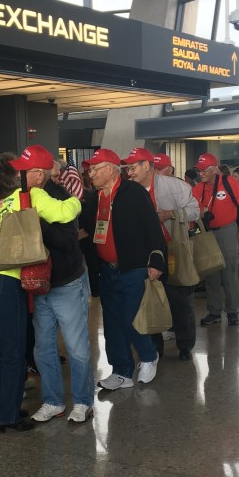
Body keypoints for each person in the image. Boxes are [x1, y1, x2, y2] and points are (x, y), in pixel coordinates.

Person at [0, 153, 81, 433]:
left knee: (1, 350)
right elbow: (64, 213)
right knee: (14, 351)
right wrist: (76, 199)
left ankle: (5, 407)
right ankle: (8, 417)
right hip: (7, 280)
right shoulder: (30, 195)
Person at [10, 146, 95, 424]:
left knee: (77, 347)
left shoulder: (60, 197)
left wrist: (37, 224)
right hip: (39, 286)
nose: (18, 176)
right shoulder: (22, 197)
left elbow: (68, 242)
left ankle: (83, 402)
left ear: (37, 174)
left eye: (23, 171)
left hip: (66, 283)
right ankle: (53, 401)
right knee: (43, 348)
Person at [80, 148, 166, 389]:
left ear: (110, 169)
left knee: (132, 318)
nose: (91, 174)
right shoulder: (94, 198)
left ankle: (148, 355)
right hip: (106, 270)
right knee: (112, 323)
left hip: (133, 268)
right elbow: (87, 228)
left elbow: (152, 227)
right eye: (90, 170)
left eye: (95, 169)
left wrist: (156, 260)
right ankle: (121, 371)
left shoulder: (133, 192)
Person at [122, 147, 200, 360]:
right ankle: (156, 349)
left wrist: (172, 214)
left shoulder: (175, 186)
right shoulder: (128, 190)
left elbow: (195, 210)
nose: (130, 172)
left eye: (133, 167)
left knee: (181, 301)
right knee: (150, 302)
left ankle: (185, 346)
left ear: (146, 165)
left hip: (174, 250)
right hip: (145, 255)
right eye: (127, 168)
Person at [192, 153, 239, 327]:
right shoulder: (198, 189)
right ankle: (214, 311)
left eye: (204, 170)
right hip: (208, 233)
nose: (200, 173)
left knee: (229, 272)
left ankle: (232, 312)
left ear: (214, 169)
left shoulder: (228, 182)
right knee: (211, 274)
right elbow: (192, 214)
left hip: (227, 231)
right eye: (199, 170)